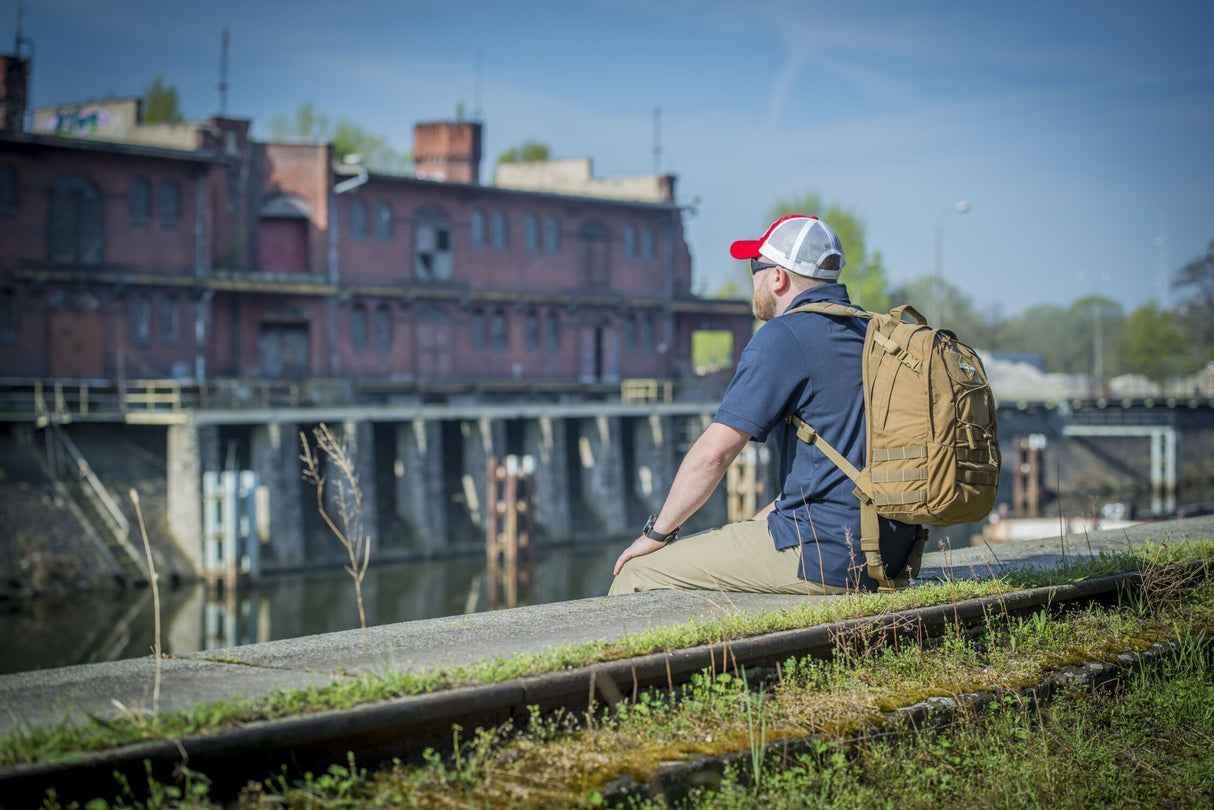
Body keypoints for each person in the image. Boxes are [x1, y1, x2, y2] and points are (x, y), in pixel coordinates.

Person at [610, 214, 919, 595]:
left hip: (826, 558)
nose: (751, 280)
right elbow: (835, 468)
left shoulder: (783, 336)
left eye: (754, 268)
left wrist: (657, 534)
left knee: (638, 573)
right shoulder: (869, 334)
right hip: (891, 553)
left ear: (777, 277)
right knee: (744, 536)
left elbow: (714, 454)